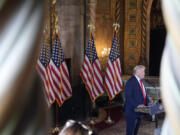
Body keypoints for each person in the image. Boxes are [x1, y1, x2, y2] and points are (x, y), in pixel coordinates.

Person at [124, 65, 150, 135]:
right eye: (143, 71)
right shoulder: (130, 82)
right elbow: (128, 97)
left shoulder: (143, 81)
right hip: (132, 111)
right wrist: (138, 105)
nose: (144, 73)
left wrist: (150, 103)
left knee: (135, 131)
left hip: (141, 111)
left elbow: (145, 95)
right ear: (138, 72)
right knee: (130, 132)